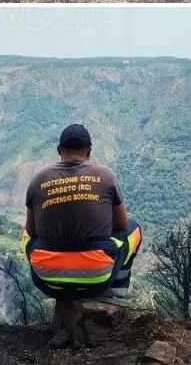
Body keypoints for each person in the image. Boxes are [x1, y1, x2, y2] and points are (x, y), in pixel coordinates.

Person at [21, 124, 142, 301]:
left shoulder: (38, 179)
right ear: (89, 151)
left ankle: (59, 280)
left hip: (47, 280)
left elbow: (32, 232)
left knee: (25, 235)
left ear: (59, 150)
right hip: (97, 279)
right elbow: (121, 225)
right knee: (133, 229)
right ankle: (115, 291)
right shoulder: (106, 176)